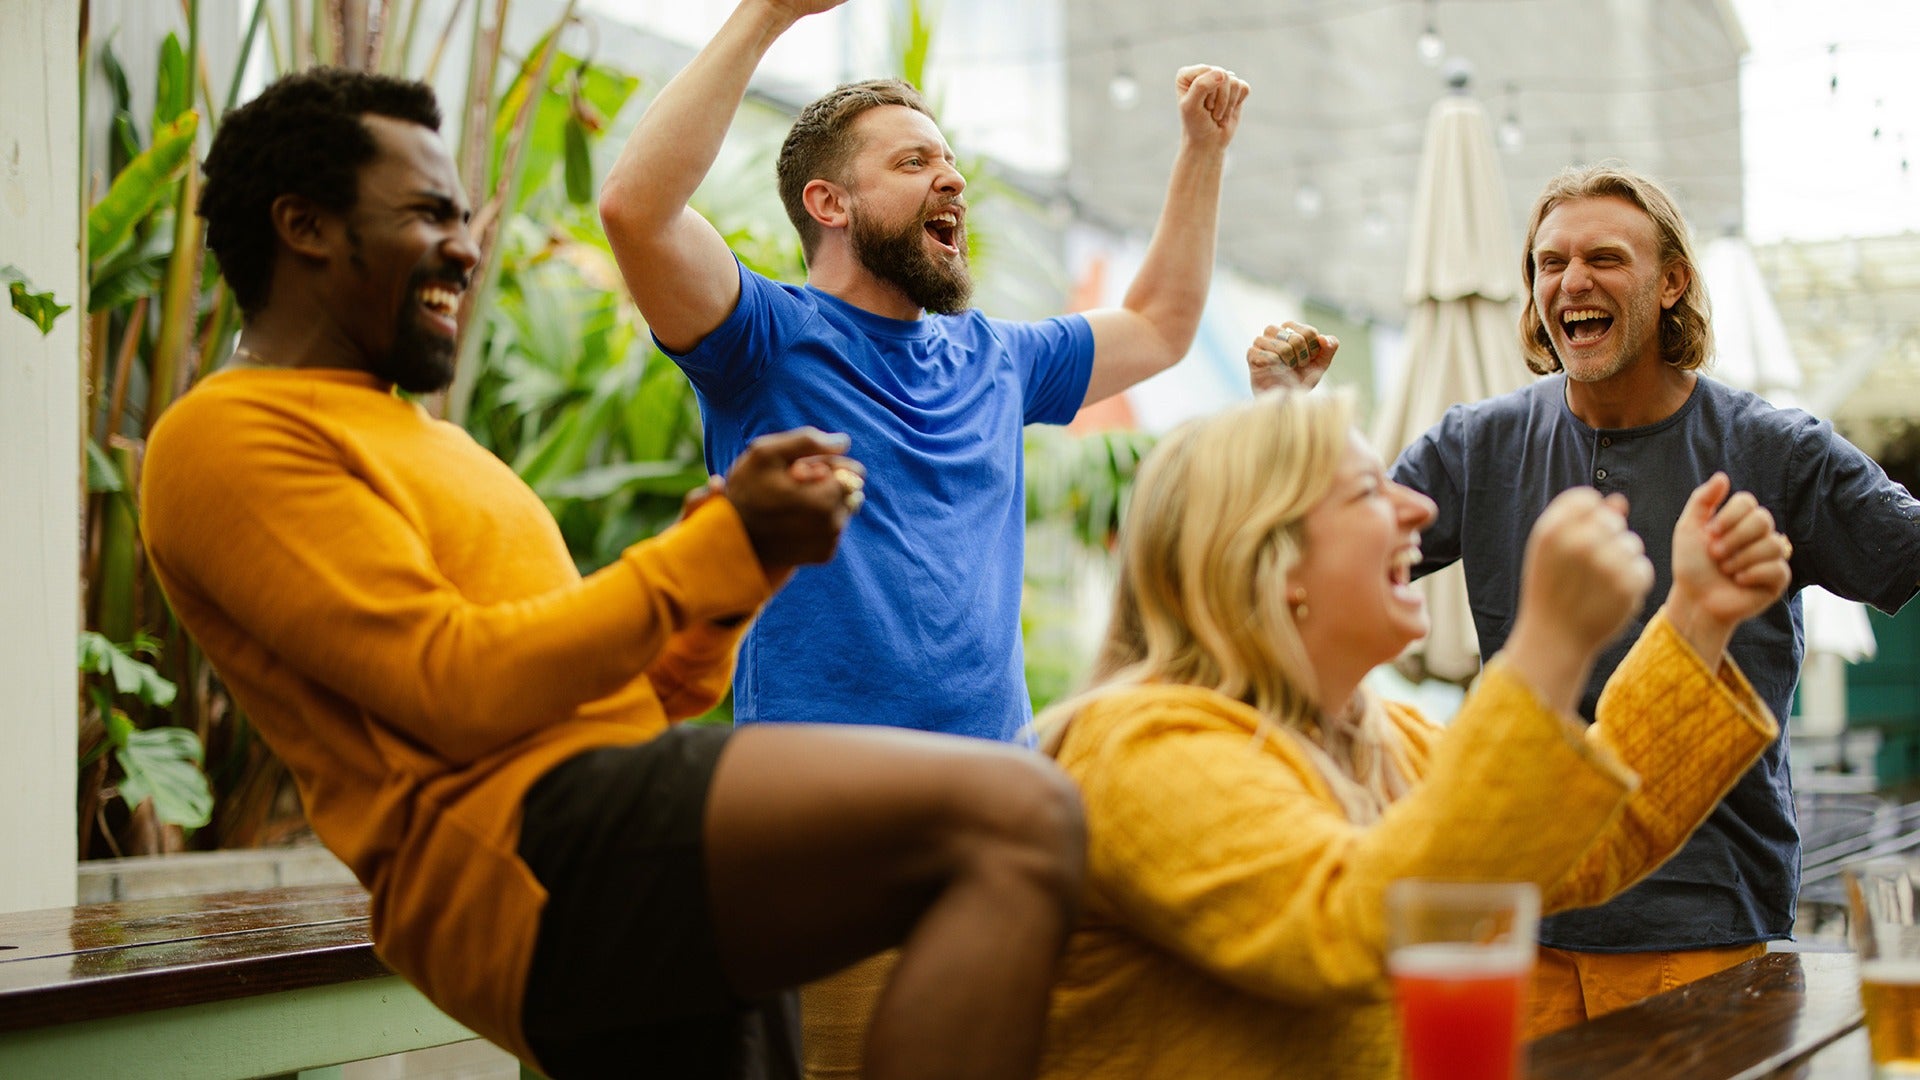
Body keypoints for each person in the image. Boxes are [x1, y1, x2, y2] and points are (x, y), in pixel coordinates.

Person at [140, 68, 1087, 1080]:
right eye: (428, 215)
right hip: (528, 860)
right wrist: (704, 556)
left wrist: (735, 580)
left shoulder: (435, 447)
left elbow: (630, 694)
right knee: (1020, 814)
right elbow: (450, 688)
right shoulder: (226, 436)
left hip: (611, 832)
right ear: (304, 227)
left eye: (463, 217)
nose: (466, 247)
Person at [1248, 162, 1920, 1034]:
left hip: (1701, 917)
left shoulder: (1774, 450)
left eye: (1605, 257)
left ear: (1672, 281)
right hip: (1521, 911)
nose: (1572, 282)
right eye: (1549, 262)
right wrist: (1288, 422)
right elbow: (1326, 560)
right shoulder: (1475, 445)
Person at [1034, 388, 1791, 1079]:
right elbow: (1361, 924)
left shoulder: (1377, 736)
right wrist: (1547, 648)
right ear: (1271, 555)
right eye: (1369, 491)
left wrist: (1697, 614)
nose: (1421, 511)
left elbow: (1584, 839)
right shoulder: (1142, 747)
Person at [599, 0, 1249, 744]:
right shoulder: (763, 338)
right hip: (824, 793)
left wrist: (1204, 149)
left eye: (949, 164)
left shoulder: (997, 359)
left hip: (993, 795)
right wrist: (769, 14)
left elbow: (1159, 328)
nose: (952, 182)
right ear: (829, 203)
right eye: (914, 163)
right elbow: (636, 211)